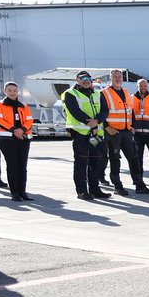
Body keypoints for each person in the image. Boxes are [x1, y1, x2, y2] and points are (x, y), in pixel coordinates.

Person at [102, 69, 149, 196]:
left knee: (134, 158)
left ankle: (139, 185)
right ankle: (118, 186)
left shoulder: (125, 92)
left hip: (126, 131)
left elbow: (130, 112)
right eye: (115, 76)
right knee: (115, 159)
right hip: (113, 132)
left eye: (120, 76)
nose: (118, 78)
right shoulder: (104, 93)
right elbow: (100, 112)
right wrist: (107, 127)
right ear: (110, 78)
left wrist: (132, 127)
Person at [63, 71, 113, 200]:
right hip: (80, 133)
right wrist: (90, 122)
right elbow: (75, 111)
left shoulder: (97, 93)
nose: (86, 80)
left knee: (96, 162)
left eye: (88, 78)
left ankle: (95, 189)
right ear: (77, 79)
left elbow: (105, 110)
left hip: (96, 133)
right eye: (83, 78)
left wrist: (97, 121)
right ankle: (82, 191)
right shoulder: (70, 94)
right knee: (81, 163)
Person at [0, 82, 33, 202]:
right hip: (7, 139)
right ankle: (15, 192)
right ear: (5, 91)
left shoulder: (23, 105)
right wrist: (15, 130)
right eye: (9, 90)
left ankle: (23, 192)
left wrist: (22, 130)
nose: (12, 92)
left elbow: (29, 120)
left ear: (18, 91)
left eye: (14, 90)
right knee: (12, 165)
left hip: (23, 138)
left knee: (22, 166)